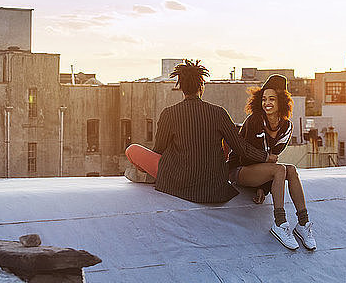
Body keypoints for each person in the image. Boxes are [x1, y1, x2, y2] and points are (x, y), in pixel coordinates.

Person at [125, 59, 276, 203]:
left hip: (178, 182)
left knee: (132, 149)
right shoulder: (219, 113)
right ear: (202, 86)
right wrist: (266, 157)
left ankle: (146, 176)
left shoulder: (169, 114)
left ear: (181, 88)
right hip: (214, 187)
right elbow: (240, 147)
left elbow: (159, 150)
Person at [227, 74, 317, 250]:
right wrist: (265, 159)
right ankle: (280, 223)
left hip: (260, 174)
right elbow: (245, 155)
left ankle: (303, 223)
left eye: (272, 99)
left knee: (290, 170)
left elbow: (274, 158)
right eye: (264, 99)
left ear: (281, 101)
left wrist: (263, 187)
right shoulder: (254, 120)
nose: (266, 103)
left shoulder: (286, 127)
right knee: (279, 169)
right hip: (239, 170)